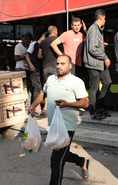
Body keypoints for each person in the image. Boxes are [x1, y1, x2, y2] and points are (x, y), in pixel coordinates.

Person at [29, 55, 89, 185]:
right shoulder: (51, 79)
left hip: (67, 125)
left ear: (69, 66)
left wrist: (68, 104)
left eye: (62, 64)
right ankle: (81, 161)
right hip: (54, 123)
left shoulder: (77, 82)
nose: (59, 66)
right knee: (62, 153)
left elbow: (85, 103)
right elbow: (43, 94)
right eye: (57, 63)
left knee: (56, 160)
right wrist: (33, 105)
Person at [83, 9, 112, 120]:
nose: (105, 20)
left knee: (108, 82)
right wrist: (105, 57)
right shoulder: (93, 29)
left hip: (100, 63)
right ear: (101, 17)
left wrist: (101, 44)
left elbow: (95, 44)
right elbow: (92, 49)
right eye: (104, 18)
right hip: (93, 63)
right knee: (94, 88)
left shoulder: (98, 30)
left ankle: (99, 107)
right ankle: (93, 112)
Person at [26, 32, 47, 115]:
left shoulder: (43, 45)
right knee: (37, 87)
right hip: (34, 68)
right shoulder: (34, 44)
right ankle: (36, 108)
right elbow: (27, 55)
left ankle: (39, 107)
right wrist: (31, 65)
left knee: (41, 87)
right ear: (43, 37)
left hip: (40, 69)